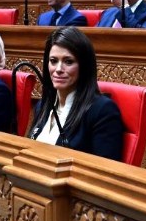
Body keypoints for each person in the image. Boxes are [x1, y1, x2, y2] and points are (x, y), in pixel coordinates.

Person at [28, 27, 124, 159]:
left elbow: (105, 173)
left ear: (84, 66)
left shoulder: (102, 111)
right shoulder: (43, 105)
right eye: (53, 61)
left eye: (68, 61)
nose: (59, 69)